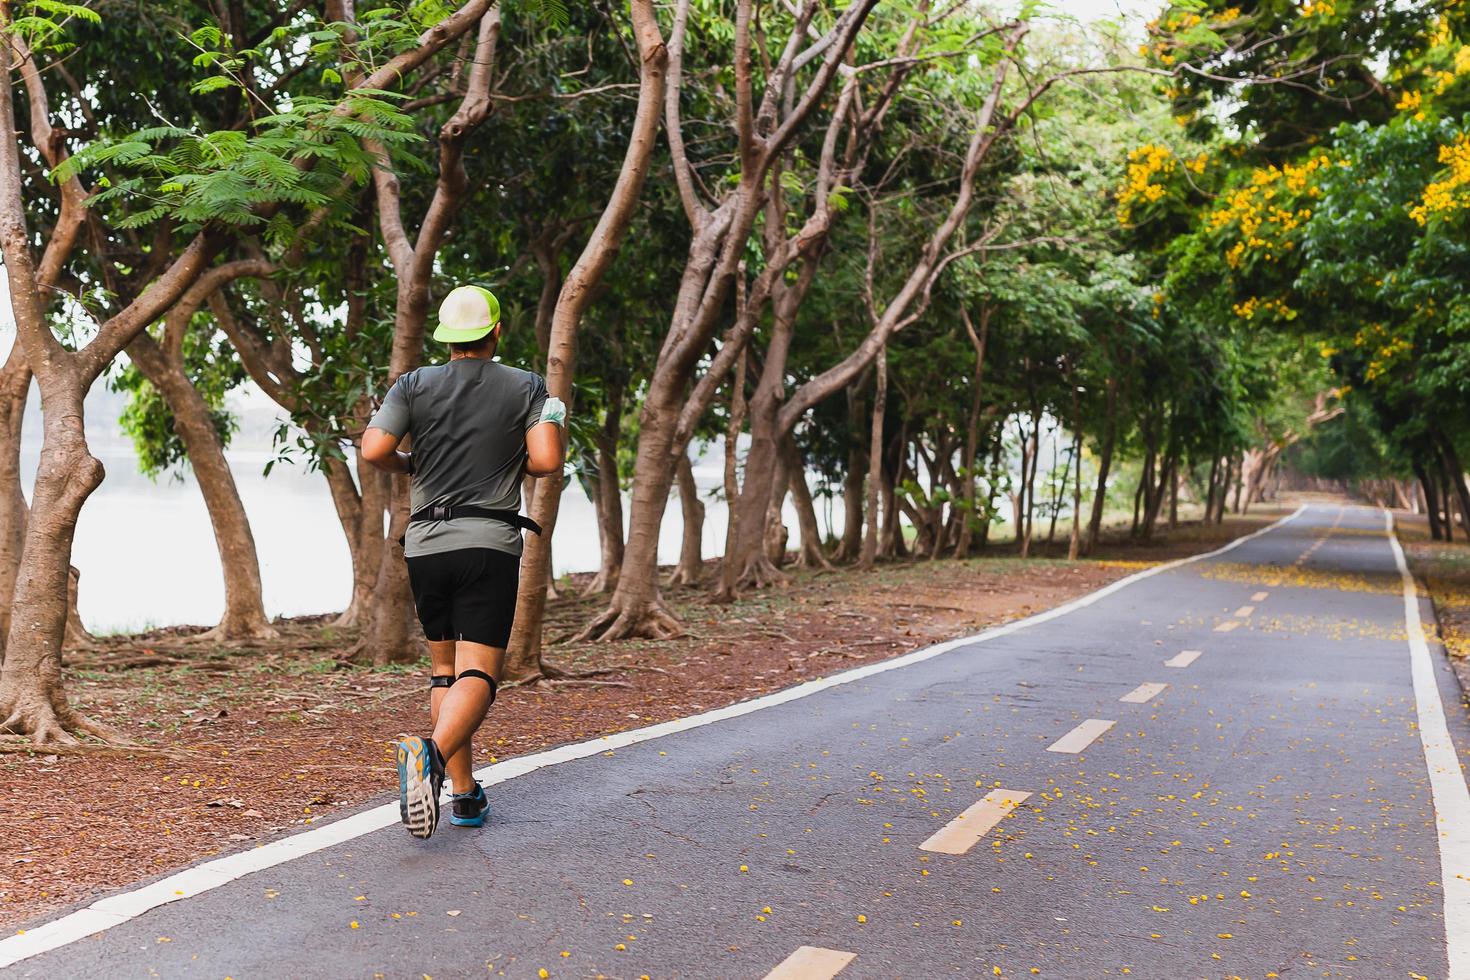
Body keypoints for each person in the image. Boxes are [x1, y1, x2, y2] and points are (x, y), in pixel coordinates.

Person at [361, 284, 566, 840]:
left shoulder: (412, 384)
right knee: (479, 674)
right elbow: (545, 461)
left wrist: (413, 465)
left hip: (425, 543)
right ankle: (427, 754)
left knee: (444, 671)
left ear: (446, 339)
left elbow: (374, 450)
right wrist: (548, 418)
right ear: (497, 332)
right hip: (487, 544)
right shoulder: (526, 386)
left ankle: (465, 795)